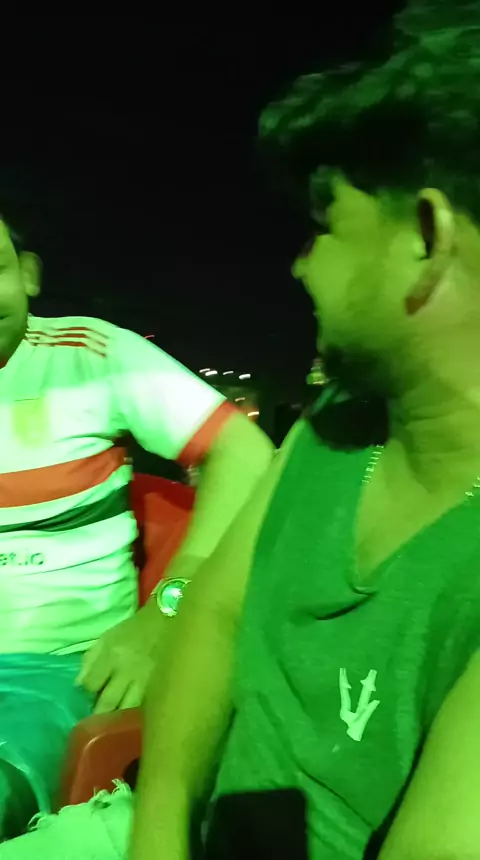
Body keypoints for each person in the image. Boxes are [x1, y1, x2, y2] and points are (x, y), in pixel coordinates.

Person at [4, 0, 480, 857]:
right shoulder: (334, 428)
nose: (299, 264)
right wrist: (157, 836)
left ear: (424, 236)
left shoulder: (96, 357)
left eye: (325, 227)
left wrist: (160, 609)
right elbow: (216, 619)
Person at [0, 217, 274, 840]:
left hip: (51, 671)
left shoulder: (91, 355)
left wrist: (169, 610)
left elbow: (245, 453)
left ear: (29, 275)